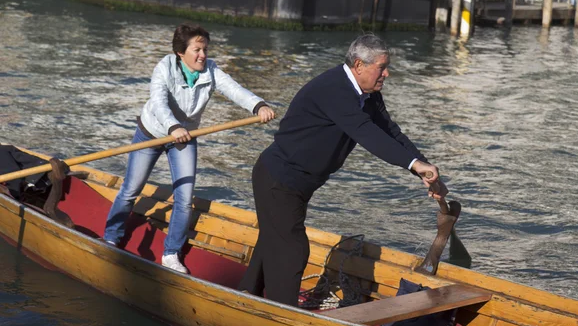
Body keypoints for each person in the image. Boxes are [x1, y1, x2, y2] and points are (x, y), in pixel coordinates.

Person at [238, 34, 447, 306]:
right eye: (382, 67)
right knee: (292, 249)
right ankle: (282, 316)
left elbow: (390, 132)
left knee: (273, 238)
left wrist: (422, 167)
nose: (387, 73)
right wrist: (414, 165)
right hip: (279, 179)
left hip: (299, 184)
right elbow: (366, 133)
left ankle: (245, 294)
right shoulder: (334, 90)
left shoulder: (369, 95)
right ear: (359, 65)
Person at [104, 23, 275, 273]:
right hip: (152, 133)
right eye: (197, 50)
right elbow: (159, 101)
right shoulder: (164, 67)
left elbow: (235, 90)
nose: (203, 55)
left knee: (184, 199)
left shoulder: (211, 70)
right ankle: (111, 236)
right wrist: (173, 126)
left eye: (204, 49)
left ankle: (171, 253)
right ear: (180, 53)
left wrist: (258, 106)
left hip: (185, 137)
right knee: (131, 189)